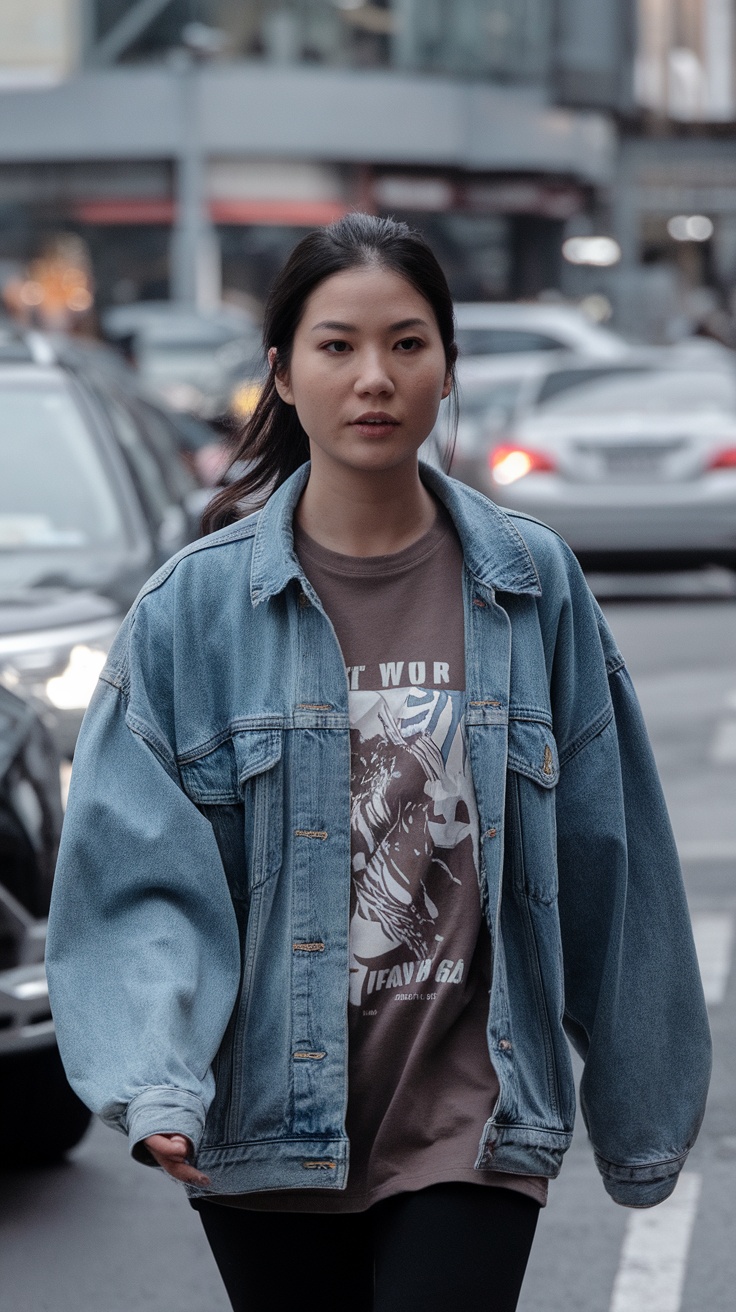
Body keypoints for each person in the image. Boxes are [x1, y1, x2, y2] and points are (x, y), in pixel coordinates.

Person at [46, 214, 711, 1312]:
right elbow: (135, 874)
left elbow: (609, 842)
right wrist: (154, 1074)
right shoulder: (193, 612)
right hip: (264, 1115)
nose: (374, 377)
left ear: (447, 368)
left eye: (406, 343)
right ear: (283, 372)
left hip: (473, 1108)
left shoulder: (528, 584)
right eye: (337, 346)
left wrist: (640, 1098)